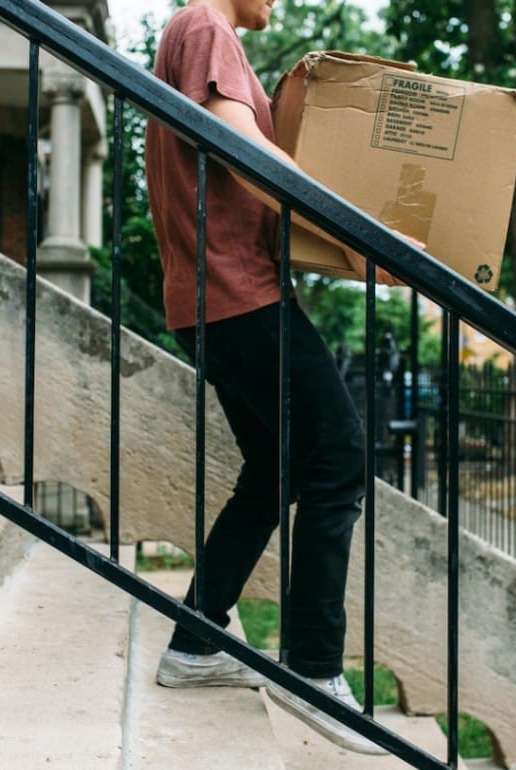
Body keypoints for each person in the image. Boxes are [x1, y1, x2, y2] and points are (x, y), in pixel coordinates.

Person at [143, 0, 399, 756]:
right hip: (234, 294)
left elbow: (242, 154)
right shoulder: (203, 25)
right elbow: (236, 145)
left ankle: (194, 643)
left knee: (274, 469)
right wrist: (366, 232)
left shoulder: (207, 38)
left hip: (218, 298)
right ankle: (313, 669)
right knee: (337, 457)